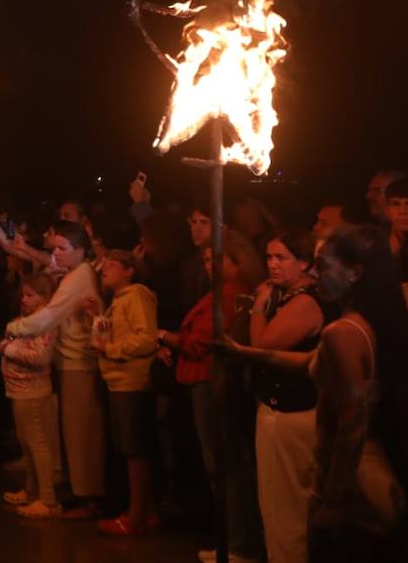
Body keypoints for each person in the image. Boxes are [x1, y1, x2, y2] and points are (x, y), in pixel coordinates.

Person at [227, 226, 408, 562]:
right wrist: (241, 351)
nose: (315, 273)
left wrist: (332, 501)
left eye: (324, 266)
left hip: (355, 476)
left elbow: (352, 426)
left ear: (354, 273)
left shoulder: (343, 332)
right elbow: (307, 361)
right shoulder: (366, 322)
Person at [158, 238, 262, 562]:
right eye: (205, 260)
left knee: (224, 464)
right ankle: (232, 539)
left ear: (239, 261)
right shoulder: (220, 293)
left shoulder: (230, 296)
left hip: (211, 382)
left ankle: (239, 543)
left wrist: (163, 337)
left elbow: (199, 342)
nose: (209, 266)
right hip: (203, 380)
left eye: (217, 259)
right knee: (221, 463)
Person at [3, 220, 107, 519]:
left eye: (63, 248)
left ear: (80, 250)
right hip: (72, 363)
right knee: (73, 433)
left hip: (79, 364)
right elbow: (48, 262)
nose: (56, 254)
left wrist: (13, 329)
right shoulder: (77, 271)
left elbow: (47, 317)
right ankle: (80, 493)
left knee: (81, 434)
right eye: (56, 247)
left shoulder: (79, 277)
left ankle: (88, 499)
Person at [242, 230, 329, 563]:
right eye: (269, 257)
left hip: (292, 414)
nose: (272, 264)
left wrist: (258, 307)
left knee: (286, 507)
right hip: (277, 409)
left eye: (282, 258)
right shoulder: (287, 294)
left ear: (304, 263)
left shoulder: (306, 301)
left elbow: (261, 345)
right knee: (275, 505)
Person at [89, 249, 159, 536]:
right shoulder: (117, 301)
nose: (105, 269)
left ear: (130, 270)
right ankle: (147, 512)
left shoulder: (136, 295)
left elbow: (146, 338)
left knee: (135, 451)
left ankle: (135, 518)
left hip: (131, 381)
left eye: (113, 265)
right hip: (118, 381)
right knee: (130, 449)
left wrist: (111, 350)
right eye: (104, 265)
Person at [0, 272, 62, 519]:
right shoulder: (28, 320)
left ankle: (47, 499)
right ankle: (31, 489)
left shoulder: (44, 323)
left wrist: (9, 349)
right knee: (27, 442)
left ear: (44, 297)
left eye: (29, 295)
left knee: (37, 444)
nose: (23, 299)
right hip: (19, 388)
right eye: (22, 294)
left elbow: (41, 356)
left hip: (33, 389)